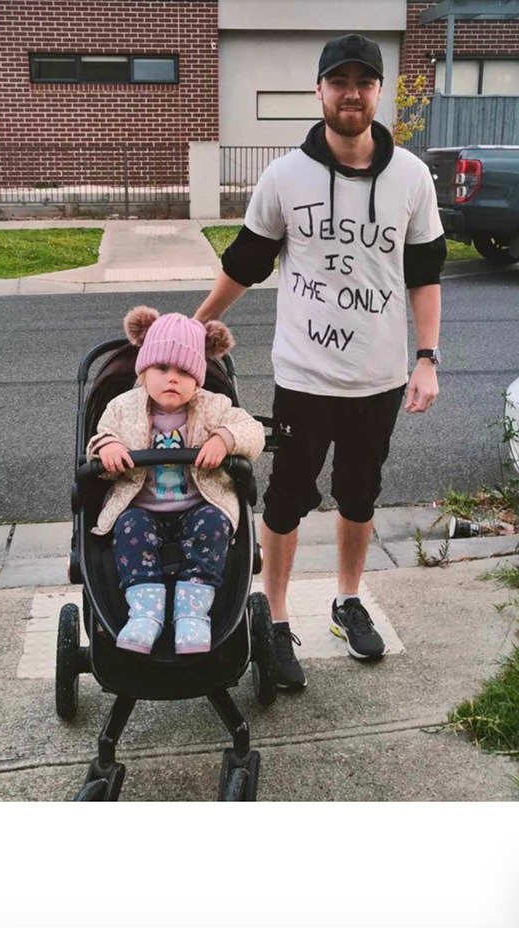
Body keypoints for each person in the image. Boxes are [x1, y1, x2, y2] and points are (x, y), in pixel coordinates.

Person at [194, 33, 446, 687]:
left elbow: (425, 275)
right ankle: (276, 622)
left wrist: (427, 358)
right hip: (304, 375)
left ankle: (347, 600)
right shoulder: (284, 177)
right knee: (287, 499)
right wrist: (193, 328)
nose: (352, 93)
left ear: (378, 92)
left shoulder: (412, 177)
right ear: (320, 90)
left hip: (381, 376)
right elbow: (244, 266)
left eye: (364, 82)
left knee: (361, 494)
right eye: (340, 81)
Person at [87, 308, 265, 655]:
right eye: (162, 368)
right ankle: (144, 615)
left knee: (213, 527)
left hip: (200, 505)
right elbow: (100, 439)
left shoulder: (214, 406)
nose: (173, 378)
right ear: (143, 370)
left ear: (198, 379)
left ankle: (192, 613)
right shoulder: (122, 408)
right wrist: (108, 447)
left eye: (185, 371)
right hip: (140, 507)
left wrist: (224, 439)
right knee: (130, 530)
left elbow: (252, 431)